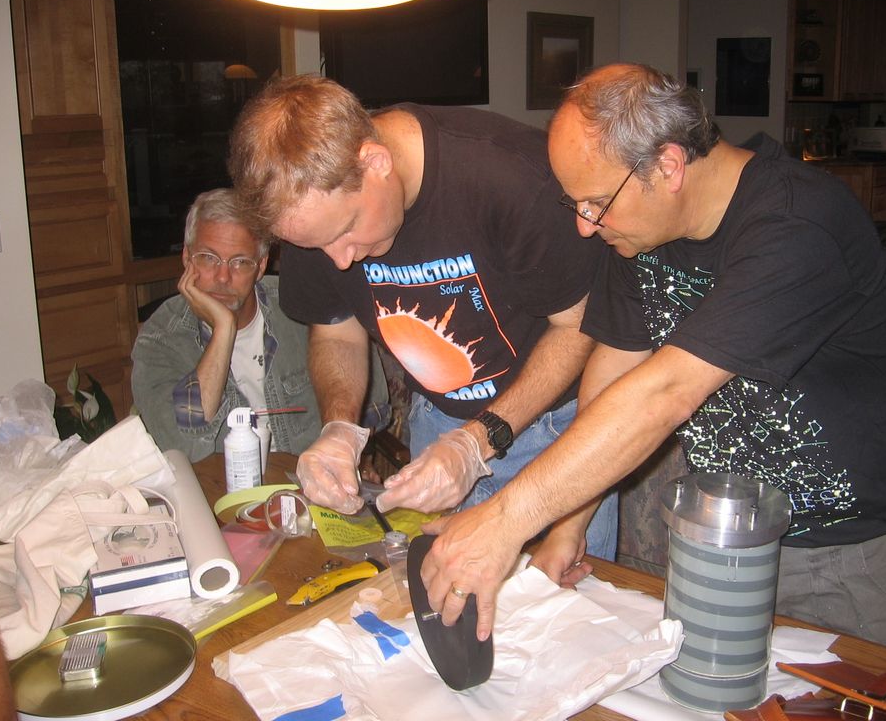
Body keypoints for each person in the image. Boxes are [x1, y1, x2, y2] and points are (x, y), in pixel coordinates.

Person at [419, 63, 886, 665]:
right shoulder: (639, 233)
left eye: (596, 202)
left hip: (861, 556)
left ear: (669, 166)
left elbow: (664, 393)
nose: (584, 225)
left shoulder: (798, 220)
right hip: (724, 542)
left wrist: (504, 520)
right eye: (576, 203)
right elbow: (613, 378)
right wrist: (570, 524)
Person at [226, 74, 618, 559]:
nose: (340, 260)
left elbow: (578, 327)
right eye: (316, 247)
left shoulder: (512, 177)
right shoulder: (313, 215)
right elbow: (337, 332)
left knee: (561, 603)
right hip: (437, 427)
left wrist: (478, 442)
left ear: (376, 162)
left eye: (346, 231)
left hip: (553, 435)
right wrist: (340, 429)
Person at [131, 188, 341, 461]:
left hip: (307, 477)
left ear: (261, 265)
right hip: (216, 484)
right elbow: (183, 446)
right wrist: (224, 330)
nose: (222, 277)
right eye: (208, 258)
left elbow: (370, 404)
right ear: (186, 258)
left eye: (240, 262)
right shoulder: (160, 338)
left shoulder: (303, 305)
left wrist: (354, 451)